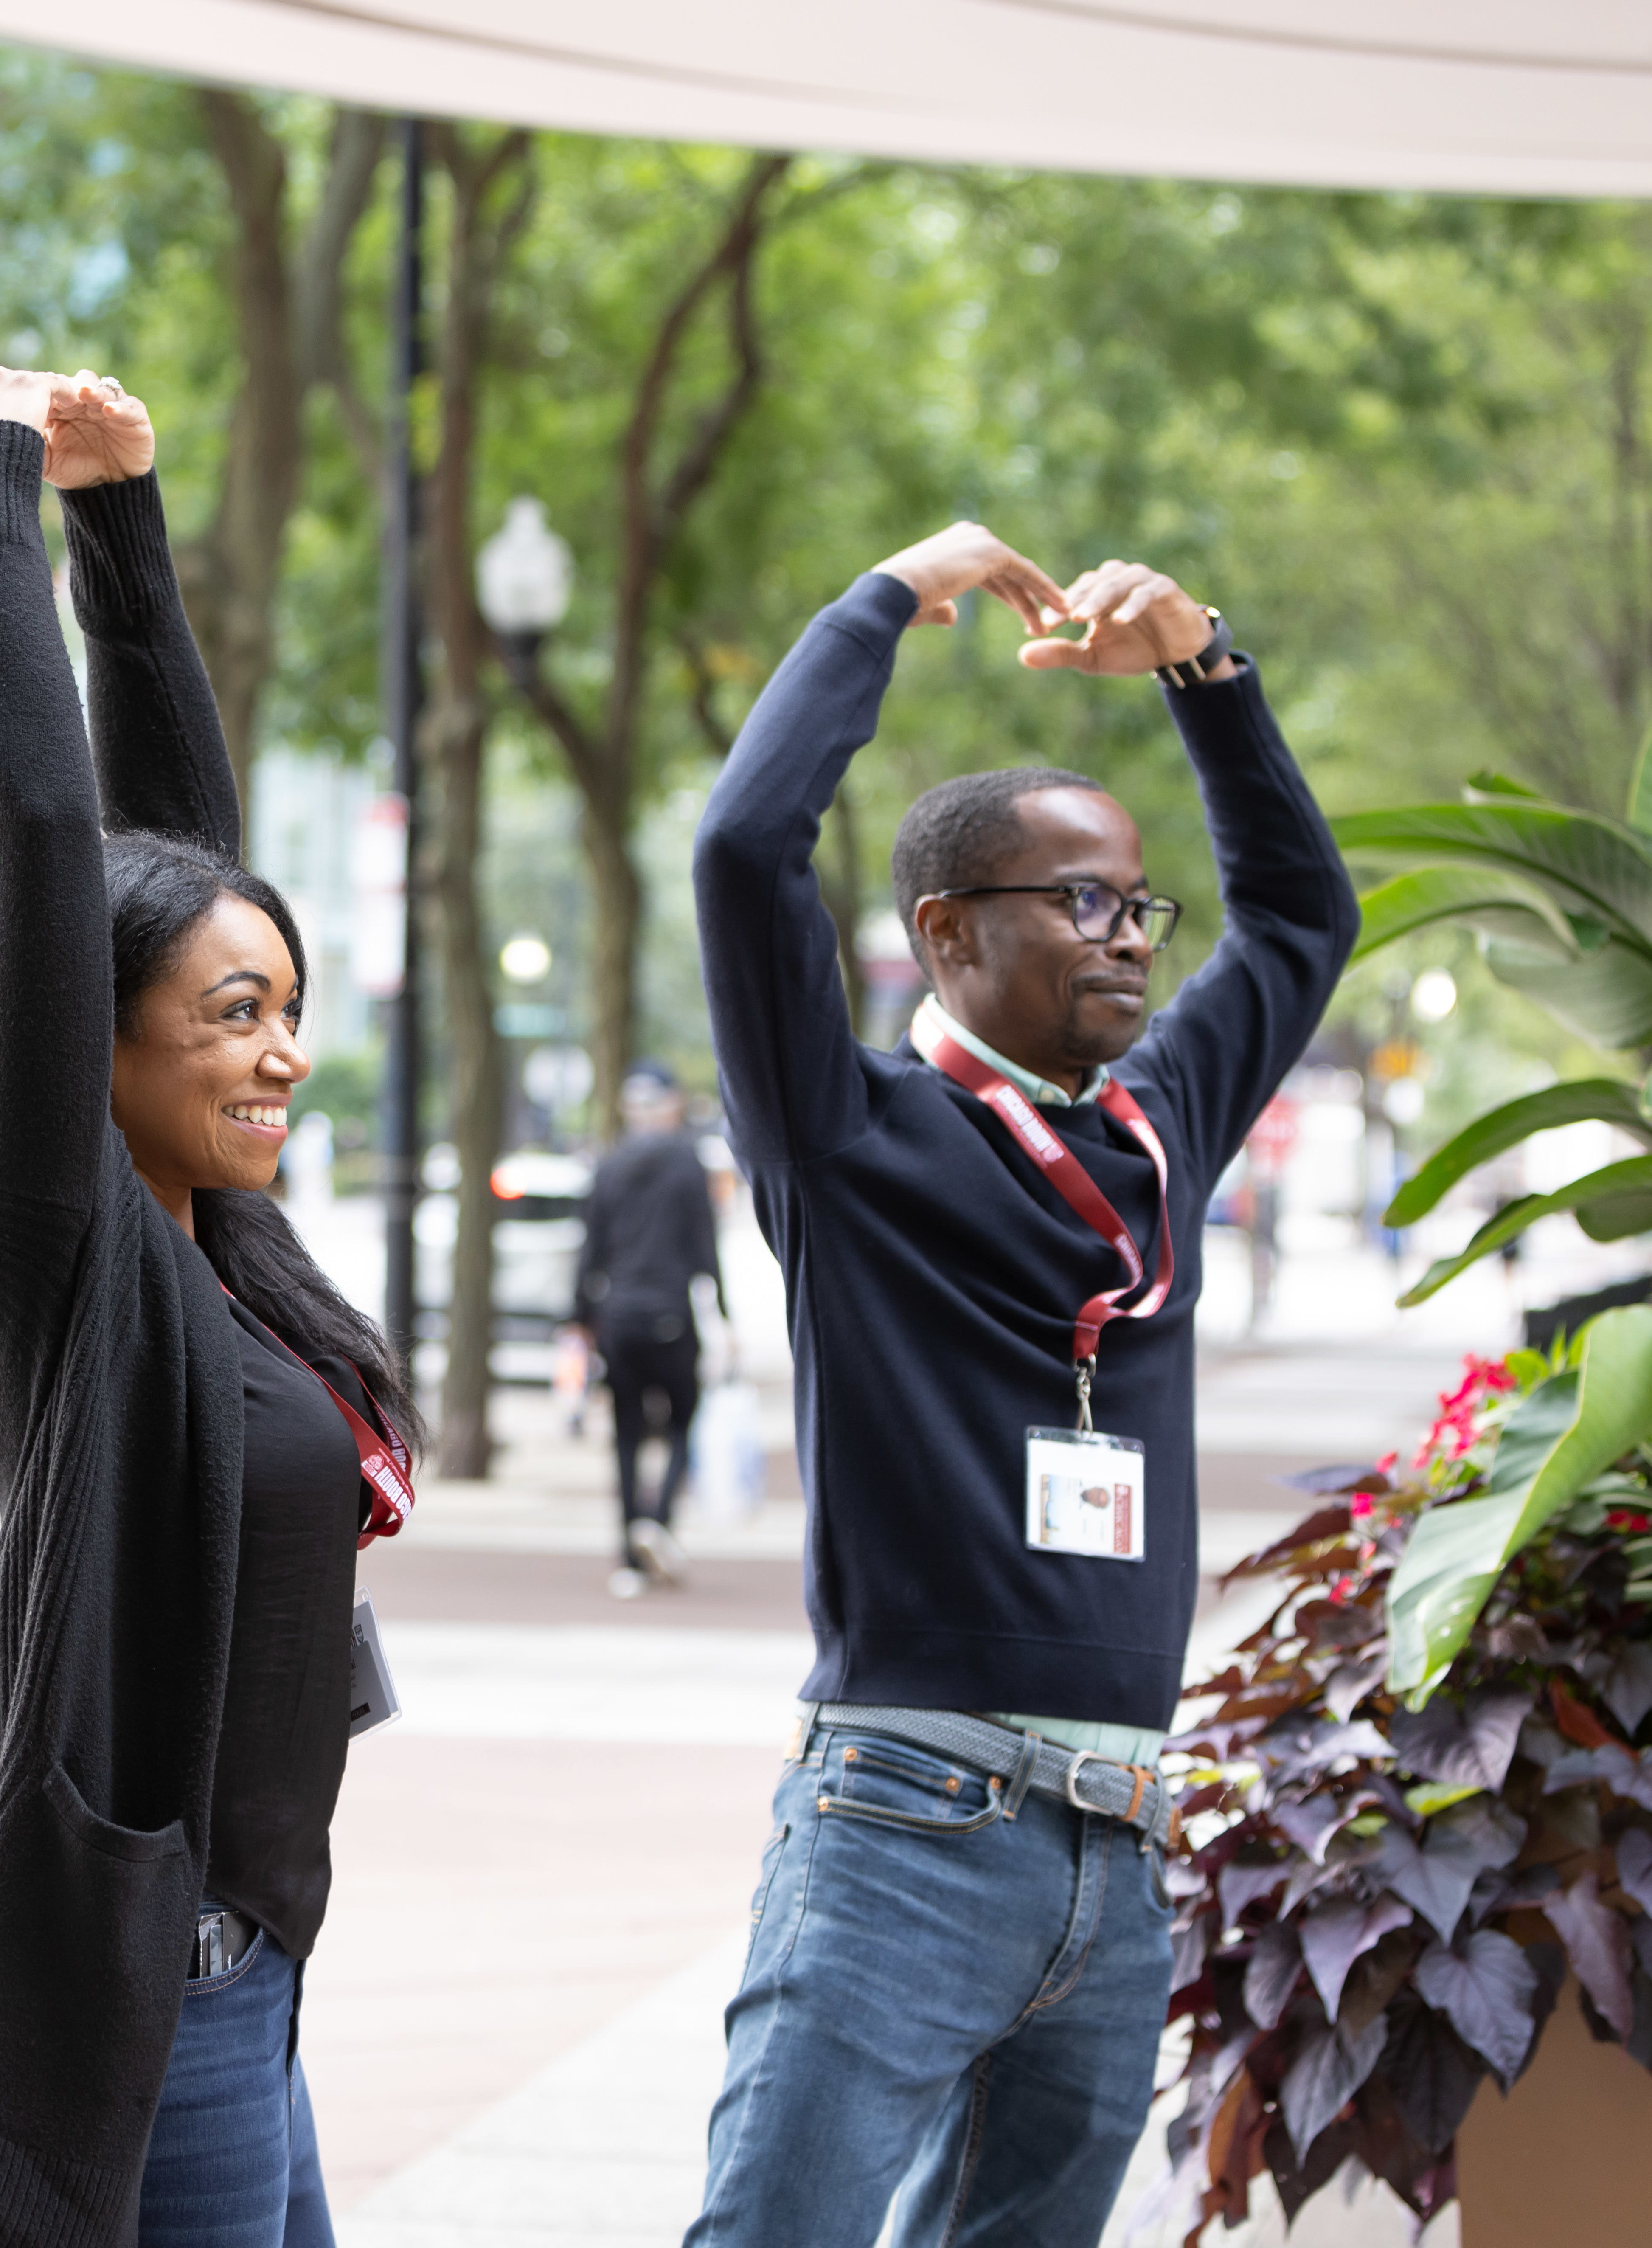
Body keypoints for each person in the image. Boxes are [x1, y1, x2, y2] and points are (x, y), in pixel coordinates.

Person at [684, 522, 1355, 2245]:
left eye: (1134, 901)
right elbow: (746, 842)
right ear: (940, 933)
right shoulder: (842, 1135)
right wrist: (884, 602)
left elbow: (1297, 912)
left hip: (1120, 1841)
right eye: (1078, 900)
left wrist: (1206, 667)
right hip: (904, 1814)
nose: (1126, 934)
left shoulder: (1161, 1128)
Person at [0, 364, 421, 2248]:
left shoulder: (221, 1247)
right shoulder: (63, 1249)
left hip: (246, 1973)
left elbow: (170, 866)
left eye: (288, 1010)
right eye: (230, 1020)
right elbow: (43, 851)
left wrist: (125, 527)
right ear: (82, 1047)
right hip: (140, 1996)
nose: (278, 1052)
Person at [568, 1064, 722, 1595]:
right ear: (673, 1106)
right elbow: (706, 1248)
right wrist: (723, 1314)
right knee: (683, 1423)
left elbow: (590, 1250)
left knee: (627, 1435)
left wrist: (580, 1320)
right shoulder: (687, 1163)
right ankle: (658, 1520)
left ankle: (630, 1557)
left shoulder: (609, 1165)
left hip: (619, 1317)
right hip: (671, 1318)